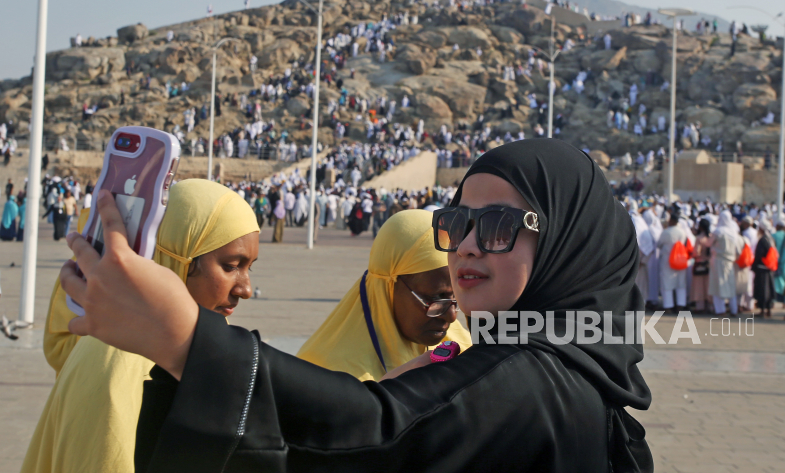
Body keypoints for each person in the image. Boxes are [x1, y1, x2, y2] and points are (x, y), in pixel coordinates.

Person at [59, 139, 653, 472]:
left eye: (498, 224)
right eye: (457, 222)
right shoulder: (556, 366)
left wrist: (184, 339)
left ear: (568, 241)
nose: (468, 244)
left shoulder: (530, 379)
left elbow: (369, 432)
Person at [21, 179, 260, 473]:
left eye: (250, 267)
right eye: (231, 266)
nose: (246, 289)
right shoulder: (119, 361)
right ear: (176, 258)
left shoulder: (188, 353)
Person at [297, 210, 471, 381]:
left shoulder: (463, 348)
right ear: (388, 286)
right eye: (435, 299)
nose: (452, 316)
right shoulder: (327, 378)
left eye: (455, 298)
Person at [710, 211, 743, 316]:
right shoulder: (734, 233)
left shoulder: (718, 231)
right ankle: (734, 310)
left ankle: (720, 310)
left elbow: (708, 243)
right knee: (730, 286)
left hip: (719, 261)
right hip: (730, 262)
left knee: (718, 286)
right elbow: (739, 250)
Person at [657, 212, 689, 311]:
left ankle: (668, 306)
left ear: (672, 221)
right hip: (681, 259)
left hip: (668, 260)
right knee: (681, 283)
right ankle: (680, 304)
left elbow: (659, 244)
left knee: (667, 283)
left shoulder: (666, 232)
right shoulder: (682, 232)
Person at [752, 219, 776, 318]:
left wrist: (754, 266)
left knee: (762, 290)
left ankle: (762, 310)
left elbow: (759, 254)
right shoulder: (771, 239)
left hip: (762, 269)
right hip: (769, 268)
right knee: (769, 289)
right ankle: (768, 310)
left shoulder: (762, 240)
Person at [690, 218, 712, 312]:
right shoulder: (711, 237)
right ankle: (710, 305)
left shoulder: (699, 238)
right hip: (709, 264)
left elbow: (696, 253)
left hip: (700, 264)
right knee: (708, 285)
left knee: (699, 286)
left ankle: (700, 306)